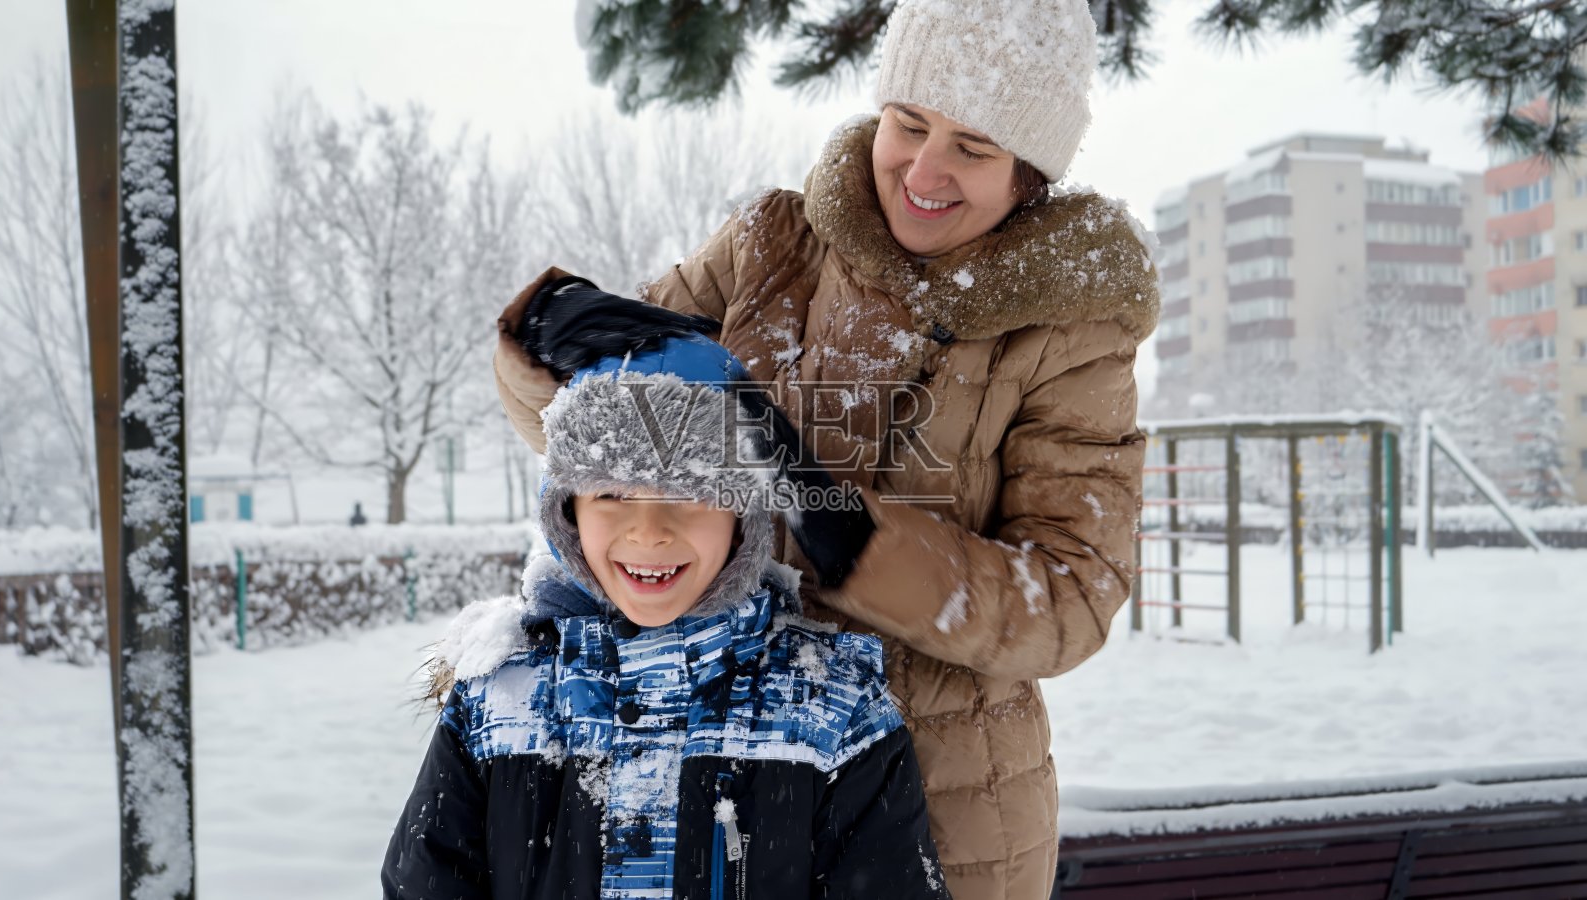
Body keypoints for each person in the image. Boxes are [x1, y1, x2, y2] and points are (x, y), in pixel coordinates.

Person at [493, 0, 1159, 895]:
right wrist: (556, 344)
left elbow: (1069, 599)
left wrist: (843, 526)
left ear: (1029, 174)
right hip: (714, 764)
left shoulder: (1070, 333)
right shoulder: (772, 243)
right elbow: (603, 457)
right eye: (910, 124)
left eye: (974, 146)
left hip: (942, 802)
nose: (925, 169)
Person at [383, 333, 950, 899]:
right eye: (612, 494)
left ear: (742, 517)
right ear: (568, 511)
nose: (649, 529)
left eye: (690, 494)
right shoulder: (497, 701)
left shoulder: (834, 709)